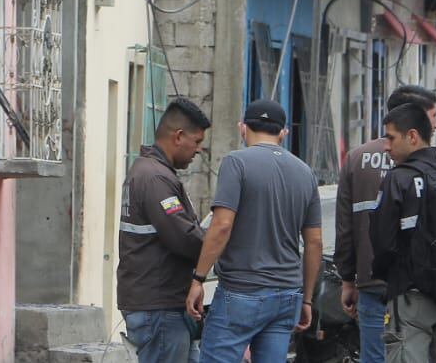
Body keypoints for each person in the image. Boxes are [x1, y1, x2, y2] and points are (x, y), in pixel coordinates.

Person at [186, 99, 322, 363]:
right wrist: (306, 300)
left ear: (242, 128)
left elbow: (222, 224)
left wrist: (198, 279)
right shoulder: (305, 173)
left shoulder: (236, 163)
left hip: (241, 291)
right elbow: (314, 242)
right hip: (286, 296)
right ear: (284, 133)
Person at [340, 85, 436, 363]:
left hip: (383, 284)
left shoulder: (356, 158)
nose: (435, 123)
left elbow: (347, 228)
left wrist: (347, 277)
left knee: (379, 355)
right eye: (432, 115)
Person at [119, 99, 213, 363]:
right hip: (158, 308)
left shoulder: (150, 172)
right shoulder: (155, 178)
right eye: (196, 142)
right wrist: (218, 241)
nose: (198, 150)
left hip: (159, 304)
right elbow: (184, 238)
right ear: (179, 136)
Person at [370, 102, 436, 363]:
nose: (386, 146)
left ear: (413, 136)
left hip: (409, 297)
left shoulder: (398, 179)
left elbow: (382, 242)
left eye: (390, 137)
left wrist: (390, 278)